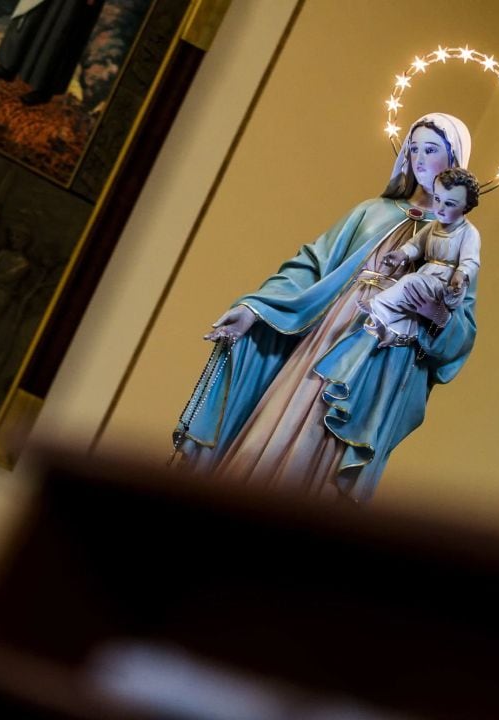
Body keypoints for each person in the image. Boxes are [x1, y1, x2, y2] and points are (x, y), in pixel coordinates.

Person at [173, 113, 477, 503]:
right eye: (413, 148)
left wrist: (437, 317)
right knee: (277, 433)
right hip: (326, 342)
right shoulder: (372, 212)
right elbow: (311, 266)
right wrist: (254, 309)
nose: (419, 158)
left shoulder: (460, 237)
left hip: (380, 363)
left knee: (326, 462)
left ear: (454, 159)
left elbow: (460, 333)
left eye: (431, 150)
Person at [365, 167, 481, 347]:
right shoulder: (434, 225)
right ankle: (393, 332)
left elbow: (470, 261)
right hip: (428, 275)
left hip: (445, 284)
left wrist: (460, 275)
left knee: (409, 284)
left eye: (449, 204)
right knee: (406, 301)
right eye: (437, 199)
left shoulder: (469, 233)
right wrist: (401, 255)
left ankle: (376, 306)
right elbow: (416, 244)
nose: (440, 209)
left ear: (466, 206)